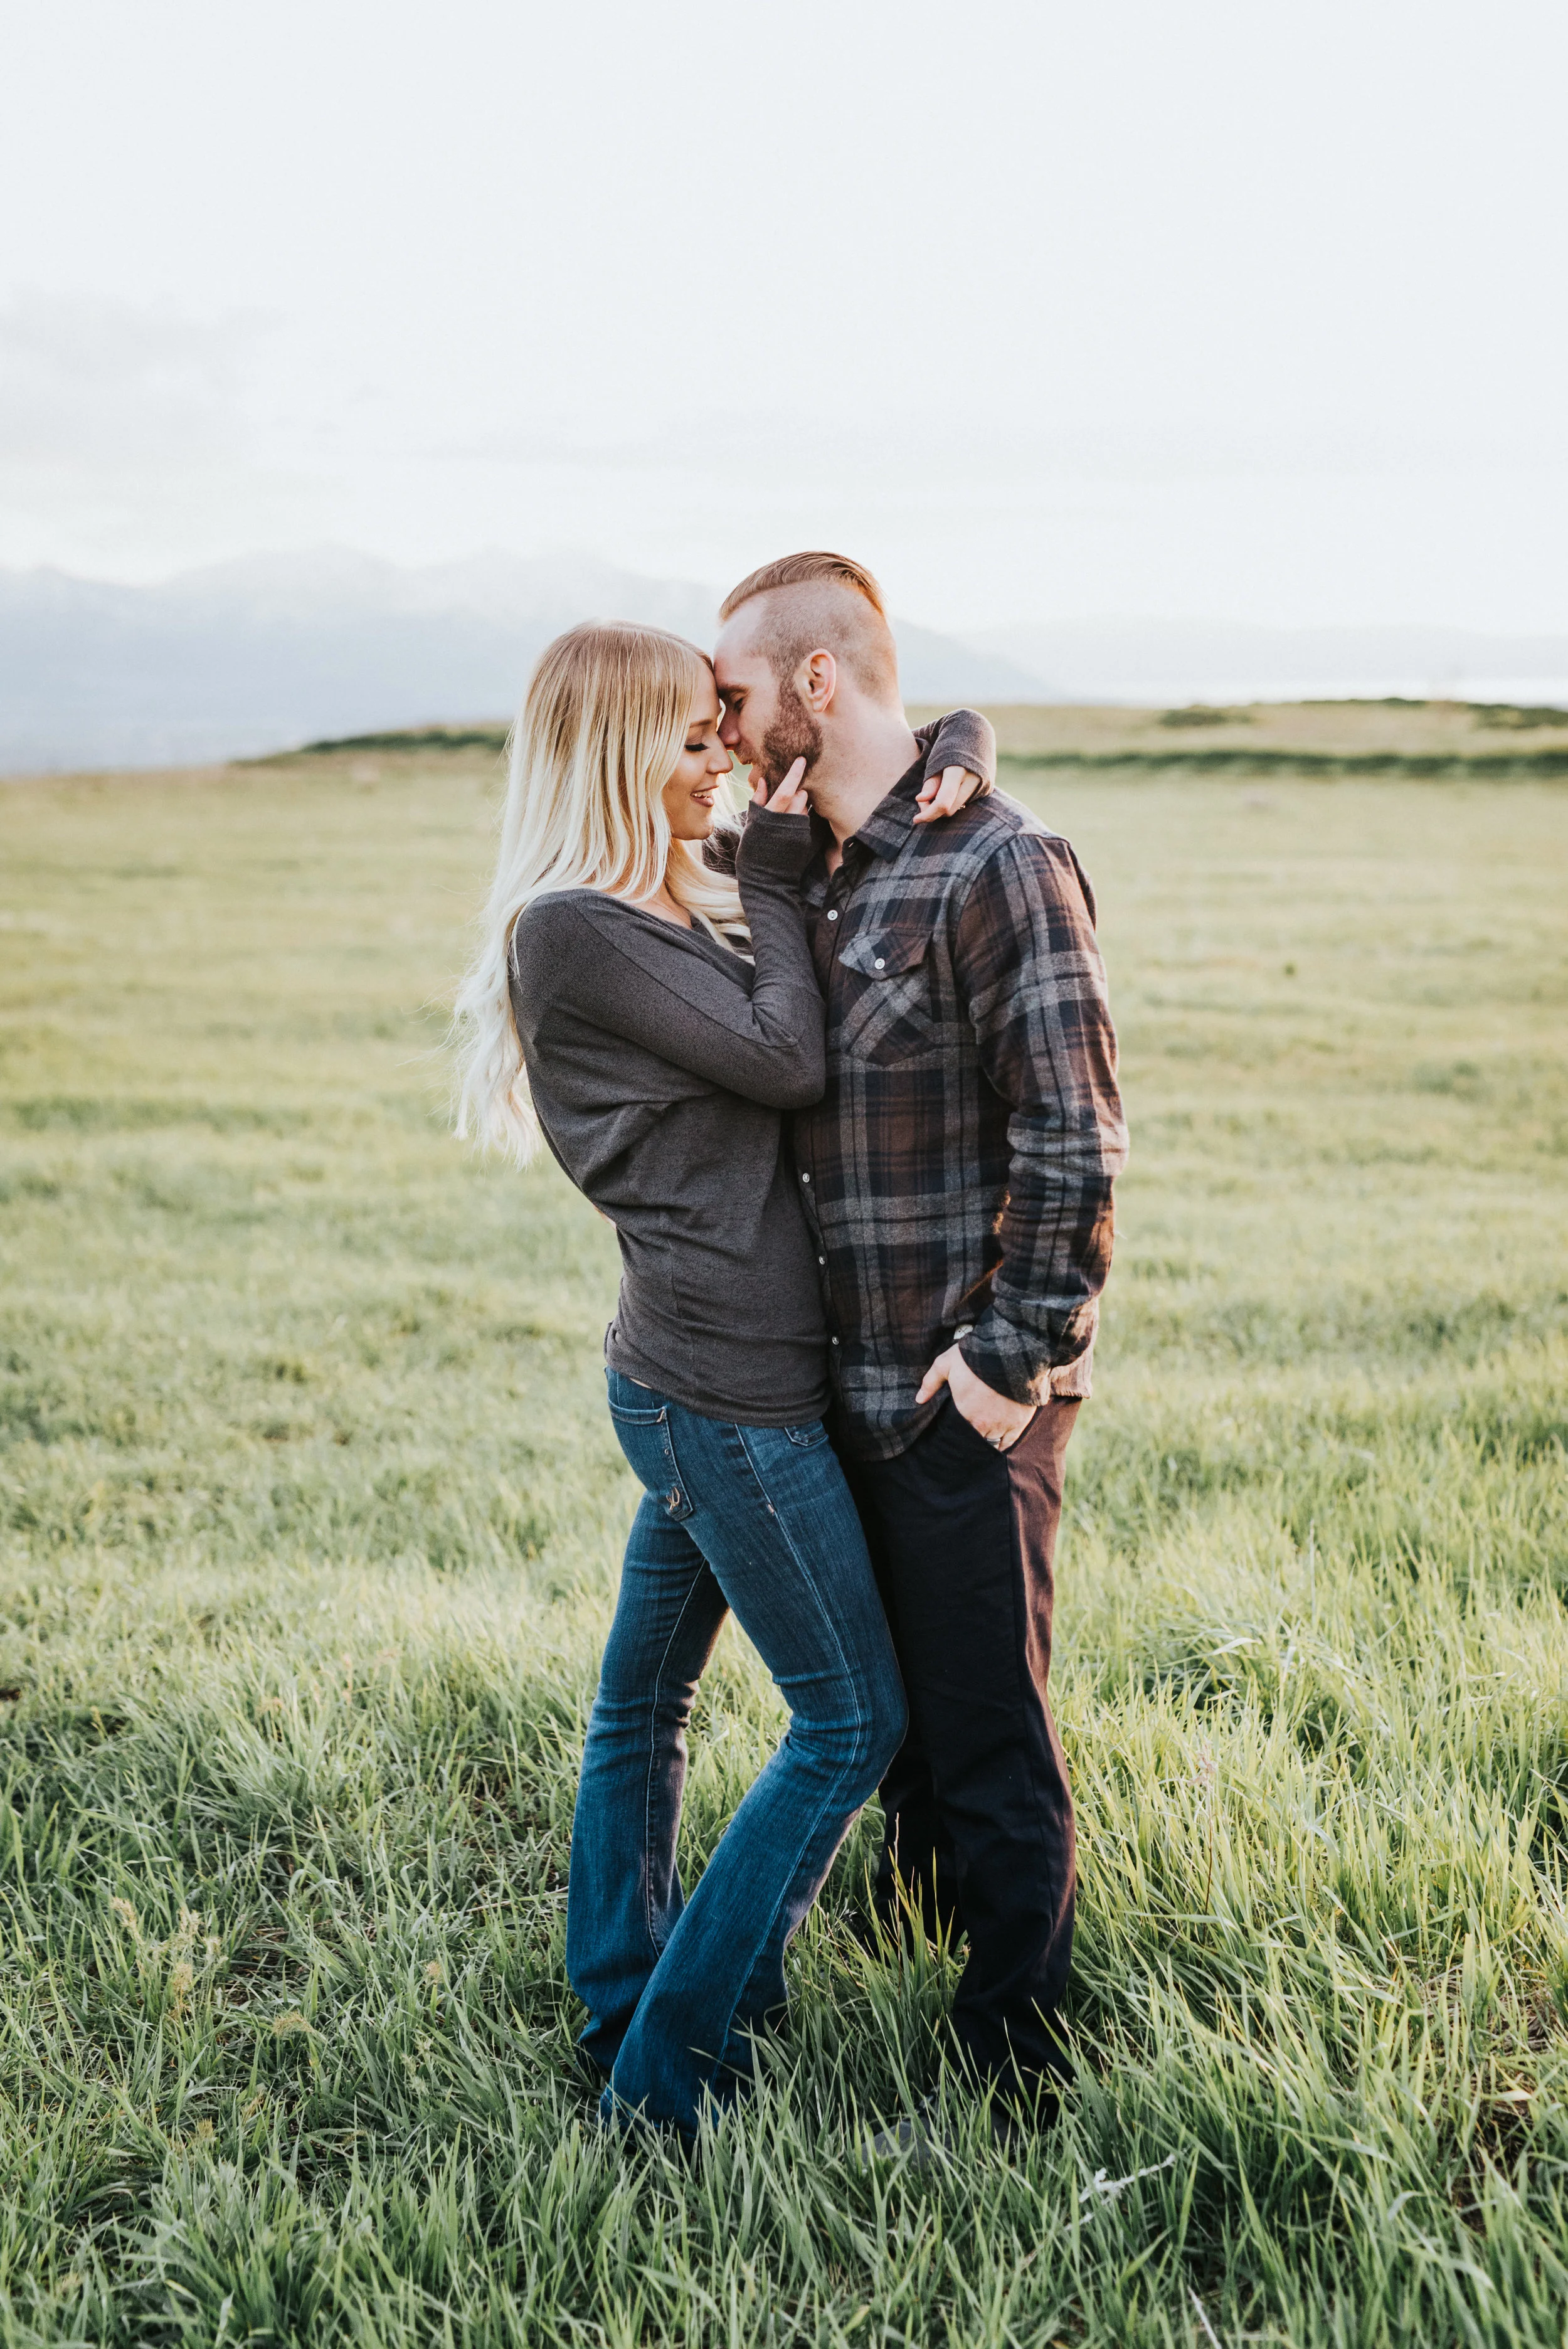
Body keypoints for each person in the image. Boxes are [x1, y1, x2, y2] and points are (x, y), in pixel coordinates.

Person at [452, 618, 995, 2140]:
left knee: (642, 1702)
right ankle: (668, 2078)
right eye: (691, 738)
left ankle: (624, 1989)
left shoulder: (655, 904)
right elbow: (787, 1061)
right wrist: (764, 868)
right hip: (725, 1391)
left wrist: (955, 750)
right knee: (848, 1721)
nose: (724, 758)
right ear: (618, 751)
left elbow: (873, 797)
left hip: (702, 1372)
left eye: (720, 728)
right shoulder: (576, 930)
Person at [713, 553, 1129, 2126]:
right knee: (888, 1711)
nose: (730, 728)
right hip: (838, 1388)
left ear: (817, 685)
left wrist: (1006, 1363)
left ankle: (1017, 2055)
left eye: (741, 697)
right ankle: (913, 1917)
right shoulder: (813, 873)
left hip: (965, 1387)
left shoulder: (999, 865)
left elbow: (1074, 1137)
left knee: (986, 1720)